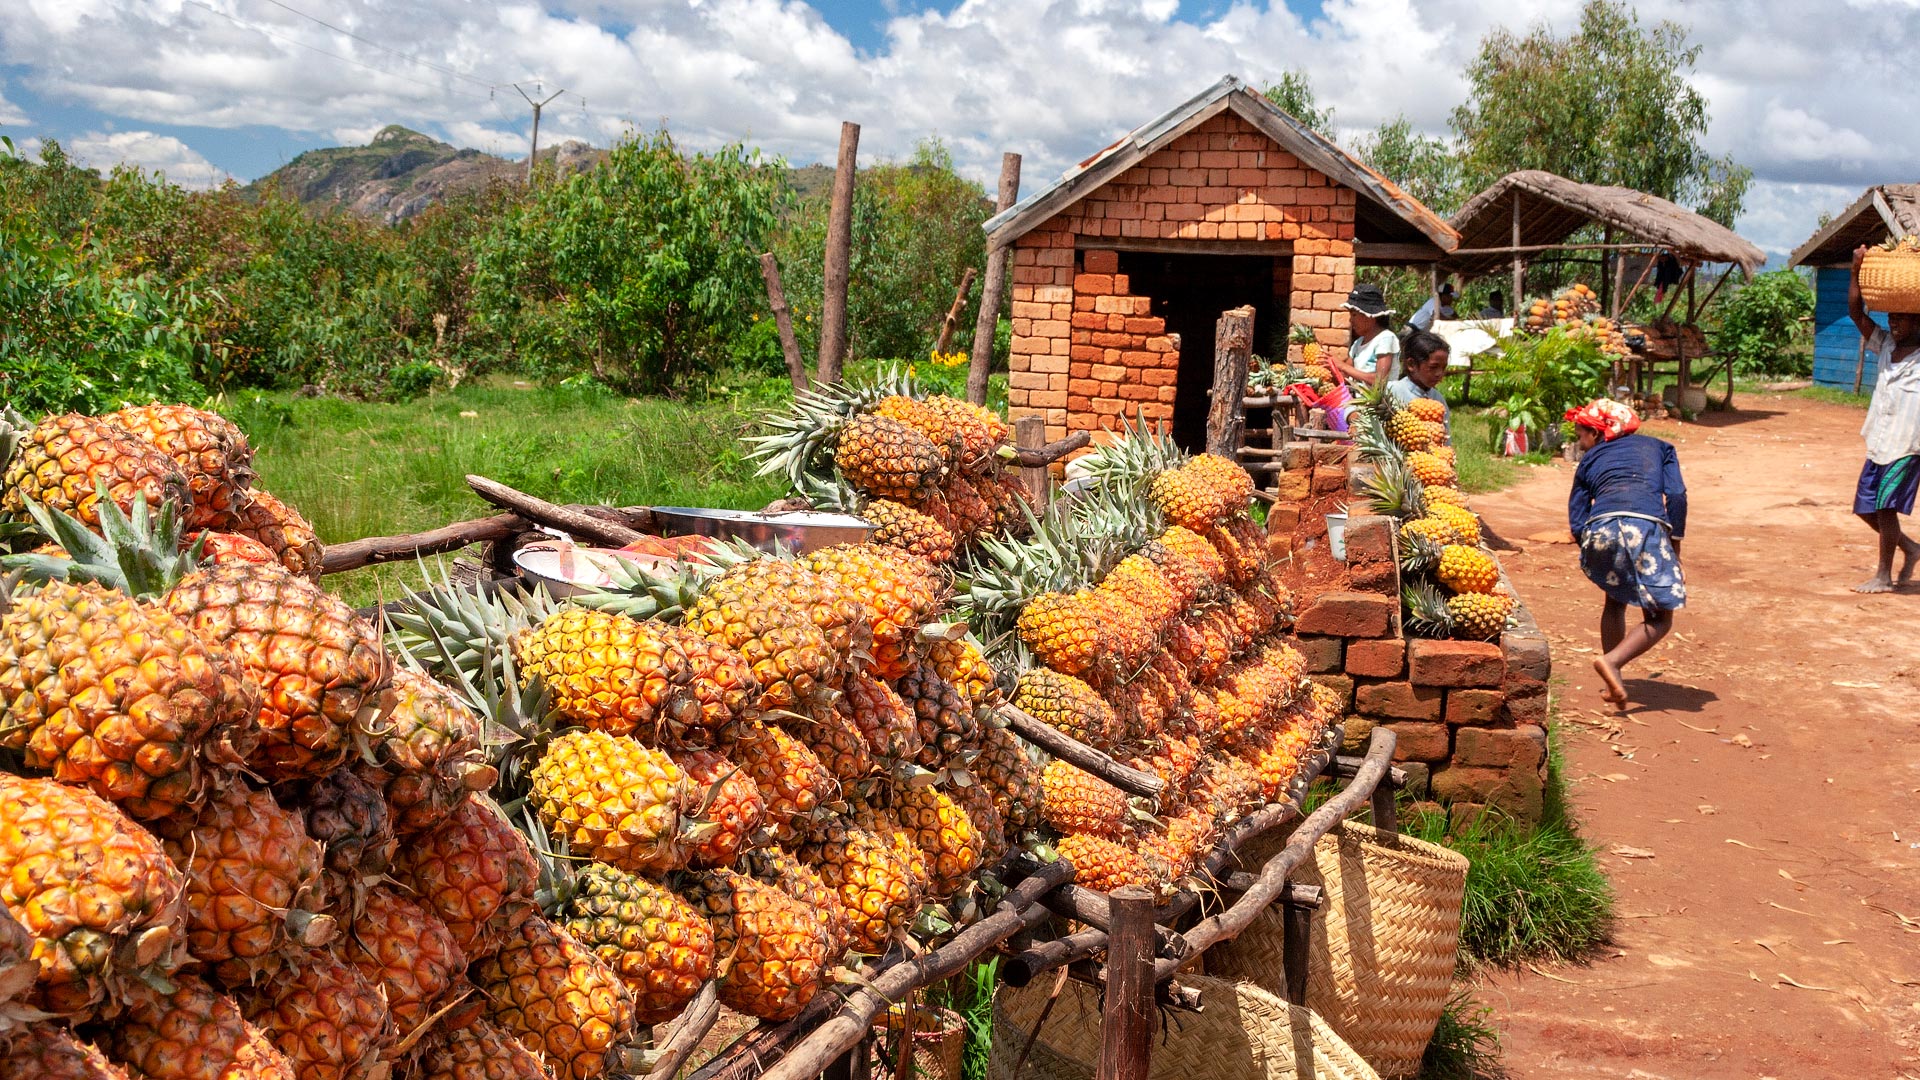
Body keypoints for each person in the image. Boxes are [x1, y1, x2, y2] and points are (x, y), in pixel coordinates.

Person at [1566, 399, 1686, 708]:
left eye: (1581, 436)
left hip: (1599, 528)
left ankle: (1612, 676)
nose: (1580, 444)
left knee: (1614, 601)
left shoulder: (1590, 460)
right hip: (1644, 528)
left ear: (1596, 433)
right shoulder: (1661, 447)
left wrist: (1593, 547)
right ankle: (1614, 662)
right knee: (1661, 618)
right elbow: (1676, 496)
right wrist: (1675, 546)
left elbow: (1577, 516)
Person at [1845, 245, 1920, 593]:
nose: (1893, 323)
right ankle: (1909, 547)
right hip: (1879, 440)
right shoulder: (1886, 345)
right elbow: (1856, 313)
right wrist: (1856, 269)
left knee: (1886, 508)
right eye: (1891, 318)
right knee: (1865, 508)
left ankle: (1883, 576)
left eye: (1900, 319)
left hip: (1907, 445)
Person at [1388, 329, 1451, 440]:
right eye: (1433, 367)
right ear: (1411, 364)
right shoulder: (1392, 391)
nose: (1439, 374)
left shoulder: (1438, 400)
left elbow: (1445, 439)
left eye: (1443, 368)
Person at [1333, 284, 1400, 387]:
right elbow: (1344, 377)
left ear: (1369, 316)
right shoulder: (1358, 343)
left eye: (1354, 315)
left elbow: (1380, 381)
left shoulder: (1385, 338)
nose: (1351, 320)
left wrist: (1342, 366)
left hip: (1381, 402)